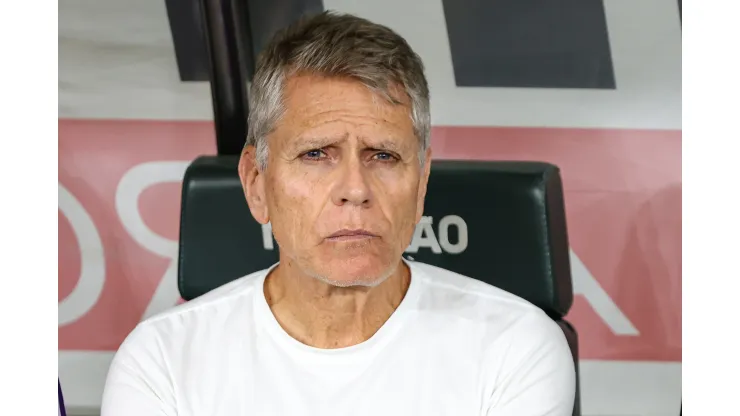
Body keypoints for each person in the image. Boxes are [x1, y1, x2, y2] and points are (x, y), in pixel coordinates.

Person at [101, 11, 575, 416]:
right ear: (256, 183)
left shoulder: (514, 347)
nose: (355, 189)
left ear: (422, 182)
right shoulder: (161, 362)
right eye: (316, 154)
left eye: (383, 156)